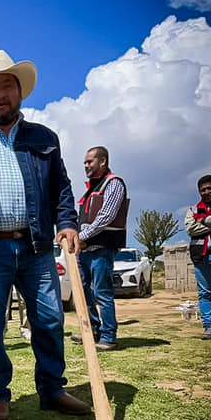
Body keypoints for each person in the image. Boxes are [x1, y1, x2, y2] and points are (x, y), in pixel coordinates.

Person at [0, 50, 90, 420]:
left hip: (36, 247)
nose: (0, 94)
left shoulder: (43, 138)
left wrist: (68, 223)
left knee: (49, 319)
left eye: (7, 86)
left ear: (20, 93)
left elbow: (61, 188)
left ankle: (52, 389)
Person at [73, 146, 128, 351]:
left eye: (90, 162)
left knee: (103, 293)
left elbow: (107, 216)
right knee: (83, 291)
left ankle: (108, 335)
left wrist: (82, 236)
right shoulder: (92, 188)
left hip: (101, 248)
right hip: (85, 250)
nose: (86, 165)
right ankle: (92, 330)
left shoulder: (113, 184)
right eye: (85, 162)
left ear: (102, 161)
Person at [185, 174, 211, 340]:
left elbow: (197, 226)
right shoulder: (193, 210)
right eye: (203, 190)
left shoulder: (199, 215)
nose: (207, 192)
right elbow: (190, 229)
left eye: (210, 188)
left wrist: (202, 222)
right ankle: (208, 326)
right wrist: (210, 223)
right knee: (204, 294)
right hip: (201, 257)